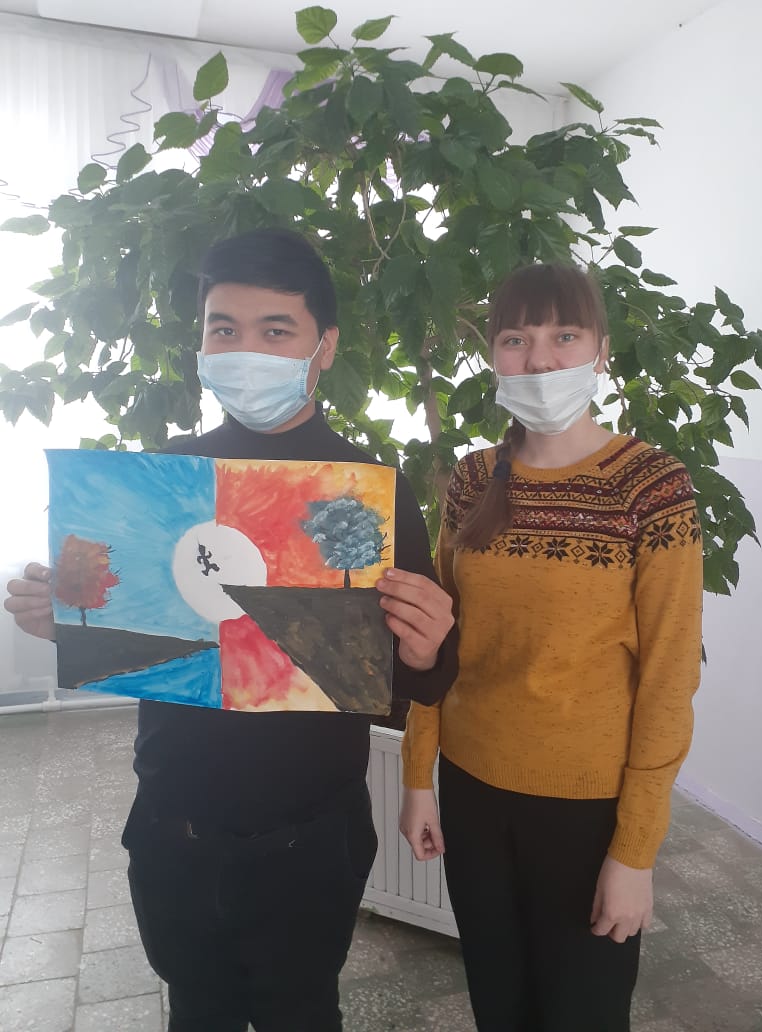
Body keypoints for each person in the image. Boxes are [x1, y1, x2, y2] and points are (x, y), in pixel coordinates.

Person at [4, 227, 458, 1032]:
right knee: (195, 1010)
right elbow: (134, 632)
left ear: (324, 346)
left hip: (310, 838)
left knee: (302, 1012)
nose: (246, 350)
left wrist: (429, 649)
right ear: (202, 343)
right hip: (172, 824)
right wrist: (64, 622)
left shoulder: (372, 493)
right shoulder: (161, 477)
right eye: (224, 329)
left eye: (275, 330)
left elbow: (416, 679)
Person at [399, 262, 703, 1032]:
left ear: (600, 350)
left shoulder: (652, 487)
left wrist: (635, 851)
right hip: (473, 790)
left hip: (587, 811)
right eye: (516, 339)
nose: (539, 360)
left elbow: (668, 681)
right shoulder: (472, 481)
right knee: (498, 1003)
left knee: (582, 1013)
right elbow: (436, 643)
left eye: (563, 336)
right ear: (493, 356)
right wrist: (418, 778)